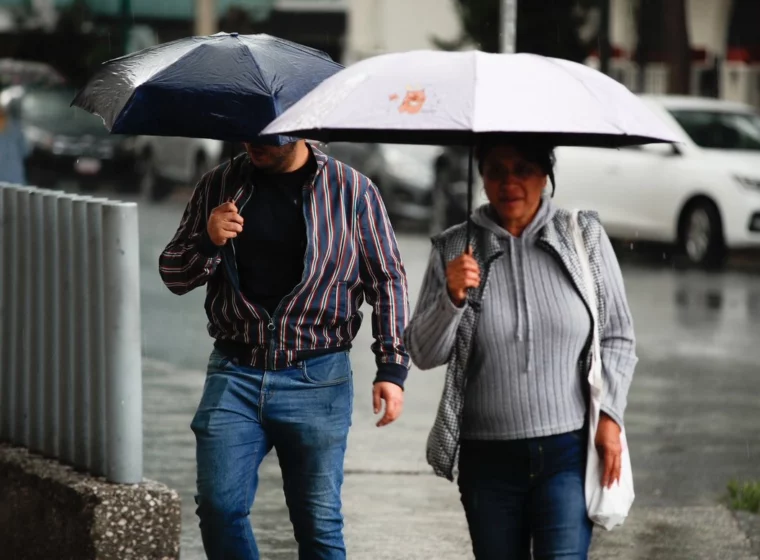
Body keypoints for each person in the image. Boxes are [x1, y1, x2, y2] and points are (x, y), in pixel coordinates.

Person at [159, 138, 410, 560]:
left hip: (318, 377)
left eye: (269, 135)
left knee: (318, 524)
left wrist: (391, 367)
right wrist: (207, 241)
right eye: (249, 132)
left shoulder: (352, 190)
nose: (255, 143)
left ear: (300, 130)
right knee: (219, 507)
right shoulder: (219, 184)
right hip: (235, 371)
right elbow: (174, 274)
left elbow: (387, 280)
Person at [403, 137, 637, 559]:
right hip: (487, 462)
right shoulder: (454, 249)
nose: (509, 182)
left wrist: (610, 418)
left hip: (567, 454)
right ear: (481, 177)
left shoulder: (583, 236)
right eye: (496, 171)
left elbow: (617, 336)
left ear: (545, 175)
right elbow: (423, 352)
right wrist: (451, 298)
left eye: (523, 170)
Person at [0, 104, 28, 185]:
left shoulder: (16, 127)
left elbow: (25, 150)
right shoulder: (16, 127)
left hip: (13, 178)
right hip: (14, 178)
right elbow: (25, 151)